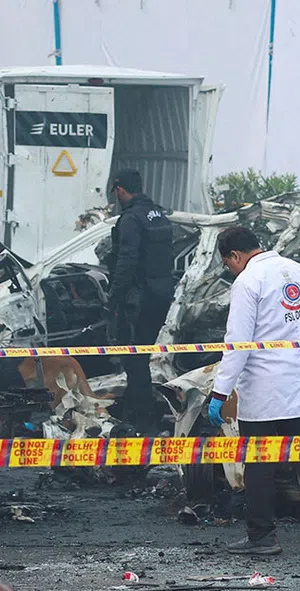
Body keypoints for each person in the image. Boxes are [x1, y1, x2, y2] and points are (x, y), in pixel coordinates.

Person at [207, 225, 300, 556]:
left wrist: (219, 393)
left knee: (260, 462)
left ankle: (262, 536)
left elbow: (237, 345)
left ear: (235, 256)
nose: (231, 270)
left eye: (228, 264)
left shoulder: (247, 283)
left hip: (266, 389)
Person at [106, 169, 174, 432]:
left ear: (120, 189)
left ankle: (143, 423)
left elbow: (127, 262)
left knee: (134, 359)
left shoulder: (131, 219)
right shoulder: (158, 215)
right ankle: (133, 412)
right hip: (160, 295)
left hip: (138, 299)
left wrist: (112, 299)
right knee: (140, 356)